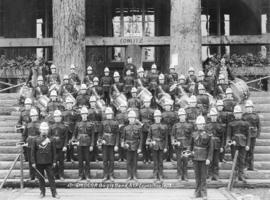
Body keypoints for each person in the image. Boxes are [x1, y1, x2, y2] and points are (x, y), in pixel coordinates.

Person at [31, 122, 59, 199]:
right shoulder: (35, 139)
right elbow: (32, 152)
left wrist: (54, 161)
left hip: (49, 162)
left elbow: (54, 151)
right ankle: (42, 192)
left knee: (51, 178)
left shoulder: (51, 139)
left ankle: (54, 193)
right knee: (41, 178)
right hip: (39, 162)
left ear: (48, 130)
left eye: (46, 130)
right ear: (40, 130)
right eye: (43, 130)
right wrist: (33, 162)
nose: (44, 131)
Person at [190, 115, 213, 199]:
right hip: (195, 157)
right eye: (199, 124)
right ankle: (197, 192)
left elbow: (211, 148)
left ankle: (203, 193)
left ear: (204, 125)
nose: (200, 125)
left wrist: (209, 158)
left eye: (202, 124)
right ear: (197, 125)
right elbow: (191, 146)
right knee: (197, 176)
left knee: (203, 176)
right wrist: (190, 155)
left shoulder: (208, 134)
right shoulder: (193, 134)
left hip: (204, 157)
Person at [227, 105, 250, 182]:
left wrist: (248, 144)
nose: (238, 115)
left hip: (243, 143)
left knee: (242, 159)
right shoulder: (231, 124)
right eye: (236, 113)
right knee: (235, 159)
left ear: (241, 114)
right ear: (234, 114)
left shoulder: (246, 123)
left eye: (239, 113)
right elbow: (228, 135)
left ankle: (241, 175)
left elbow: (248, 135)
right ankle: (235, 175)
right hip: (234, 143)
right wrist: (229, 142)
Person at [171, 108, 194, 181]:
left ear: (185, 116)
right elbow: (172, 135)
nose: (182, 117)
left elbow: (191, 136)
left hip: (186, 146)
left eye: (183, 115)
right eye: (180, 115)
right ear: (179, 116)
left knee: (185, 161)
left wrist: (190, 146)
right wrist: (174, 142)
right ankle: (179, 175)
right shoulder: (175, 125)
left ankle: (185, 175)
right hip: (178, 146)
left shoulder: (189, 125)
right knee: (179, 161)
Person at [73, 106, 95, 181]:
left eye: (85, 114)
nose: (84, 115)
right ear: (81, 115)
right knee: (80, 160)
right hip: (79, 143)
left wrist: (92, 145)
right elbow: (74, 134)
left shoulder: (91, 124)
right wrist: (74, 141)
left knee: (87, 160)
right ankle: (80, 175)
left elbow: (92, 135)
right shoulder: (78, 124)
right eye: (83, 114)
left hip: (87, 144)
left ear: (87, 115)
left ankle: (87, 175)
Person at [99, 107, 119, 182]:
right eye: (107, 114)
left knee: (112, 160)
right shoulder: (103, 122)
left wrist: (117, 144)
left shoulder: (115, 122)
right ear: (106, 115)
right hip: (105, 143)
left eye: (110, 114)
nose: (109, 115)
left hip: (112, 143)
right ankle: (105, 175)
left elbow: (117, 134)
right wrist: (100, 140)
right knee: (104, 160)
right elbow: (100, 134)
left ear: (112, 114)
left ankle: (111, 175)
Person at [147, 109, 168, 183]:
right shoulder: (151, 126)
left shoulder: (164, 126)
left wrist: (165, 147)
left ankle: (161, 175)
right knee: (155, 162)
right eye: (156, 117)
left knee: (161, 162)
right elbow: (149, 137)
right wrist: (150, 142)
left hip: (162, 145)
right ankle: (155, 175)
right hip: (154, 145)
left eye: (159, 117)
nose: (157, 118)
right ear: (154, 118)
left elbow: (166, 138)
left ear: (161, 118)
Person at [122, 110, 143, 182]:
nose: (131, 119)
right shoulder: (125, 128)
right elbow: (123, 138)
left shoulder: (138, 128)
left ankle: (134, 175)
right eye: (130, 118)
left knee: (134, 161)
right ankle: (128, 175)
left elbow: (141, 139)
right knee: (128, 162)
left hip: (135, 146)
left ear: (135, 119)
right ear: (128, 119)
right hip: (128, 147)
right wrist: (124, 144)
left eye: (133, 118)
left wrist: (140, 148)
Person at [206, 107, 226, 181]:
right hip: (209, 145)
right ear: (210, 116)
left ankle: (216, 175)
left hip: (217, 144)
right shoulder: (207, 125)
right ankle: (210, 175)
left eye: (214, 115)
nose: (213, 117)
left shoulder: (220, 125)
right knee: (210, 160)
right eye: (212, 116)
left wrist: (222, 146)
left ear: (216, 116)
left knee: (216, 161)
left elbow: (223, 137)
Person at [49, 110, 68, 180]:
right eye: (56, 117)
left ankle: (61, 175)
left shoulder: (64, 127)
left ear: (61, 118)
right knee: (54, 161)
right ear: (54, 118)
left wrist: (65, 146)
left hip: (61, 146)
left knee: (61, 162)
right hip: (53, 147)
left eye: (58, 117)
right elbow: (49, 137)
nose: (57, 118)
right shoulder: (51, 127)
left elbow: (66, 138)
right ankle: (55, 174)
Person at [22, 108, 41, 181]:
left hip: (37, 144)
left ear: (37, 116)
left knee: (37, 160)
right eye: (32, 116)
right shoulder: (28, 125)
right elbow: (24, 135)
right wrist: (22, 141)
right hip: (29, 144)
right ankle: (31, 176)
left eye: (35, 116)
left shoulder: (39, 124)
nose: (33, 117)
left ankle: (37, 176)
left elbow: (41, 135)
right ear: (30, 117)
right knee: (30, 161)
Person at [243, 100, 261, 171]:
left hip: (253, 134)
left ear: (252, 108)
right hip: (245, 136)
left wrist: (258, 135)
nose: (249, 109)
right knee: (245, 150)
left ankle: (251, 166)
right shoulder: (243, 116)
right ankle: (245, 165)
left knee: (251, 151)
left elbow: (259, 126)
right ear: (246, 108)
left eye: (250, 107)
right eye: (247, 107)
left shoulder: (256, 116)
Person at [62, 97, 78, 162]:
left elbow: (76, 122)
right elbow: (62, 121)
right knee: (65, 143)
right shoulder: (63, 113)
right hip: (65, 130)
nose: (69, 105)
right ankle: (66, 157)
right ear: (66, 105)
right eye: (67, 104)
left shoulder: (74, 113)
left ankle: (71, 157)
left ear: (72, 104)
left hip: (72, 130)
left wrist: (75, 131)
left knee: (71, 144)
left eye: (70, 104)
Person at [87, 96, 102, 162]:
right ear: (90, 103)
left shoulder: (98, 110)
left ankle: (96, 157)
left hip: (96, 128)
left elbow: (100, 120)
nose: (92, 103)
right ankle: (90, 157)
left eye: (93, 102)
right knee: (89, 142)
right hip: (89, 128)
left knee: (95, 143)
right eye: (91, 102)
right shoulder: (88, 111)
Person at [139, 97, 154, 164]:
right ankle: (144, 157)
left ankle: (150, 157)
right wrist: (141, 124)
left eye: (148, 102)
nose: (147, 103)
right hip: (143, 128)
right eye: (145, 102)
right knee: (143, 144)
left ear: (149, 103)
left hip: (150, 128)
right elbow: (139, 120)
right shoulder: (141, 111)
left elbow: (153, 120)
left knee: (150, 143)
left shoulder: (152, 111)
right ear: (144, 103)